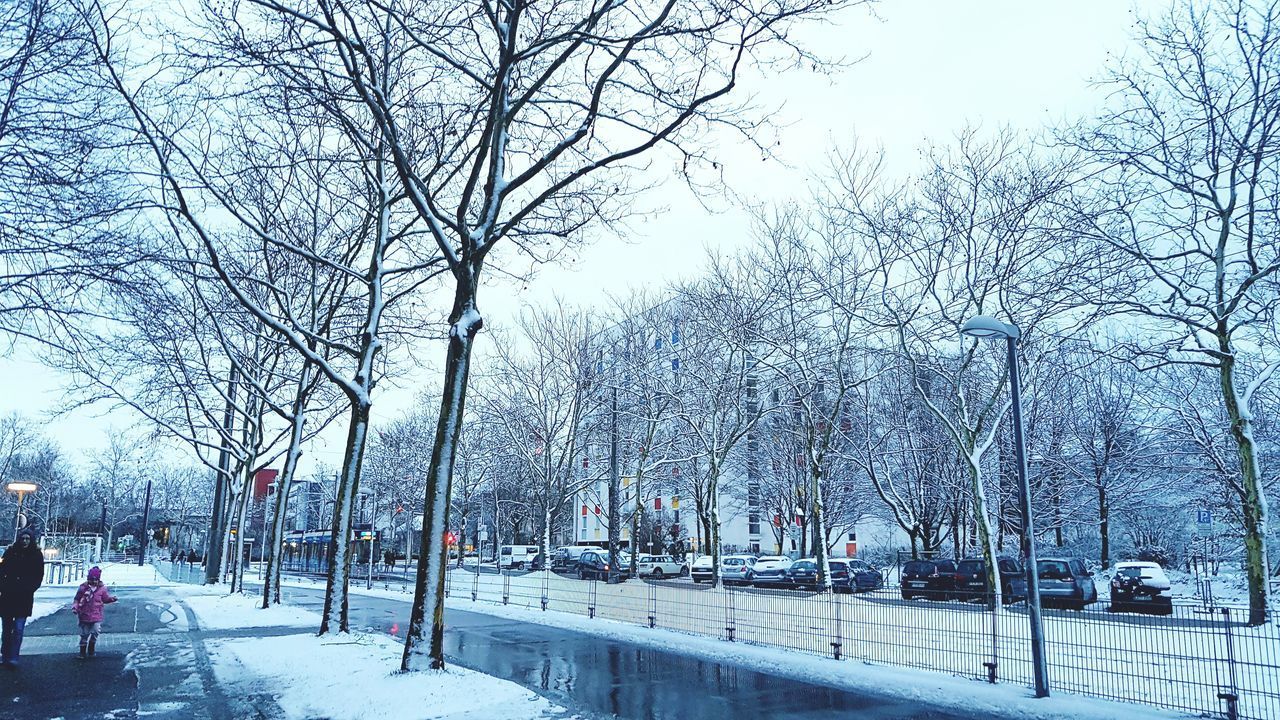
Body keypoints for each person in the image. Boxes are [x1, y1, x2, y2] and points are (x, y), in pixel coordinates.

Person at [0, 529, 45, 667]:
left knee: (18, 628)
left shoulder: (36, 555)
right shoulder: (11, 552)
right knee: (7, 628)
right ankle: (5, 654)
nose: (25, 541)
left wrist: (30, 588)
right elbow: (2, 570)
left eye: (27, 539)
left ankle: (14, 656)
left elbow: (39, 575)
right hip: (8, 595)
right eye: (23, 538)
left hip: (24, 596)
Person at [71, 566, 117, 658]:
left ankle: (91, 647)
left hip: (96, 615)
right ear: (88, 579)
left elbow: (105, 599)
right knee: (84, 634)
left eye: (96, 580)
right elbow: (77, 599)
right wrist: (75, 607)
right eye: (91, 579)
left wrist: (111, 599)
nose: (93, 582)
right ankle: (82, 651)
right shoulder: (83, 588)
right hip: (84, 615)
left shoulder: (102, 589)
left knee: (96, 631)